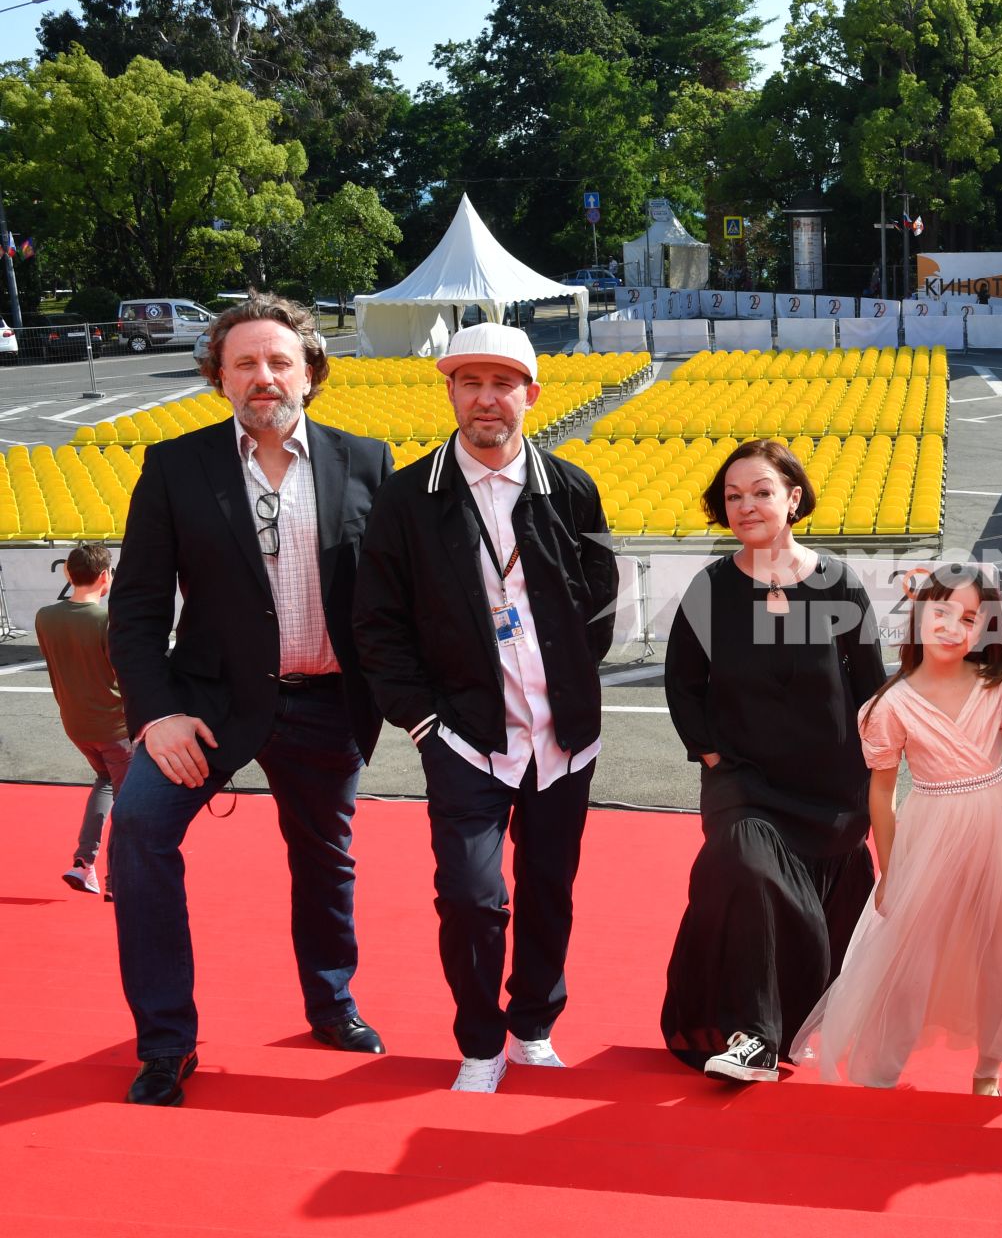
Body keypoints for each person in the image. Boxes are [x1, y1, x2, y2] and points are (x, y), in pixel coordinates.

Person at [107, 292, 393, 1107]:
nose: (261, 376)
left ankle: (331, 1003)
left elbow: (398, 598)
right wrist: (155, 714)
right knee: (137, 832)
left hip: (327, 701)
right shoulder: (174, 466)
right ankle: (167, 1041)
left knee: (325, 863)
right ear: (219, 378)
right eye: (243, 363)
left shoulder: (366, 461)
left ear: (310, 372)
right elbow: (135, 609)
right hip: (205, 706)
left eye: (277, 362)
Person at [353, 322, 616, 1094]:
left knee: (548, 888)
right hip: (465, 736)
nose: (486, 400)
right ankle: (480, 1042)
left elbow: (599, 597)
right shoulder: (407, 497)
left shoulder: (570, 486)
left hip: (562, 737)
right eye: (470, 383)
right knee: (471, 896)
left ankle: (533, 1024)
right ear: (450, 393)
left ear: (531, 395)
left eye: (502, 384)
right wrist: (423, 721)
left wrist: (570, 676)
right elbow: (378, 622)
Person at [662, 439, 886, 1083]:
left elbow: (873, 689)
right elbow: (682, 683)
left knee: (806, 910)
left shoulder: (839, 581)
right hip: (744, 788)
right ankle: (749, 1038)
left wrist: (882, 780)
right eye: (733, 496)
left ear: (793, 498)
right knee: (750, 873)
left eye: (760, 491)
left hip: (830, 790)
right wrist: (709, 752)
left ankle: (788, 1027)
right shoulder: (710, 588)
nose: (746, 505)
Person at [793, 562, 1002, 1095]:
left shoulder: (1000, 685)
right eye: (942, 610)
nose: (953, 625)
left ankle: (989, 1068)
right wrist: (892, 866)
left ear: (986, 629)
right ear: (919, 614)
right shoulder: (891, 704)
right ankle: (880, 1067)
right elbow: (881, 791)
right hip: (932, 827)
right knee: (908, 947)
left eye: (970, 617)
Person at [38, 544, 129, 898]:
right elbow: (126, 673)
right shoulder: (108, 621)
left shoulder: (45, 617)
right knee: (129, 800)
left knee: (105, 781)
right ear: (106, 577)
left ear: (67, 573)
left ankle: (83, 862)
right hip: (116, 728)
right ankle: (115, 880)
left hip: (76, 725)